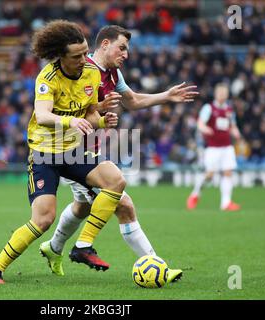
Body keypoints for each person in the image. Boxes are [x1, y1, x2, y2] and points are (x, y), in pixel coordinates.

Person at [39, 25, 198, 280]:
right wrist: (97, 110)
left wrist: (166, 96)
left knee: (82, 207)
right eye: (121, 47)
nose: (125, 54)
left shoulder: (113, 73)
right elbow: (64, 110)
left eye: (127, 49)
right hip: (70, 153)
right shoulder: (80, 69)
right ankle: (157, 267)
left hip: (89, 151)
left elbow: (132, 101)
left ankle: (53, 247)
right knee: (123, 204)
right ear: (104, 45)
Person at [0, 20, 125, 284]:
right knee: (44, 219)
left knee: (116, 181)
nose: (84, 59)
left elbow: (90, 113)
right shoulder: (47, 78)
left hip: (71, 151)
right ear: (60, 56)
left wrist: (102, 120)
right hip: (45, 154)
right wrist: (70, 121)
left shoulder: (91, 74)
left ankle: (83, 245)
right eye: (77, 55)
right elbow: (44, 115)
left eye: (85, 52)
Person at [186, 83, 242, 211]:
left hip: (227, 146)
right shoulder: (209, 108)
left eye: (224, 93)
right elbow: (200, 123)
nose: (222, 95)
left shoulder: (229, 110)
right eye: (220, 93)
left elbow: (232, 126)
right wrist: (204, 129)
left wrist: (237, 134)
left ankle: (226, 203)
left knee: (228, 172)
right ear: (216, 94)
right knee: (210, 175)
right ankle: (195, 194)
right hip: (213, 147)